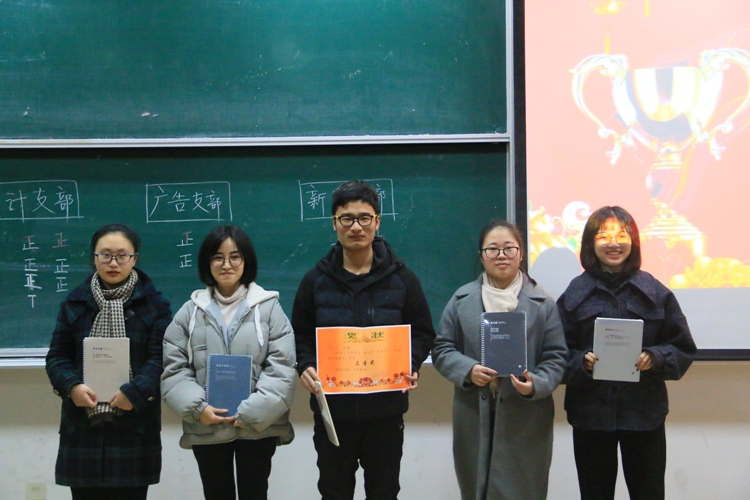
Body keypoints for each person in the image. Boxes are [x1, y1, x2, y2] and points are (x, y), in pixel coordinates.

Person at [292, 180, 436, 499]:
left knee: (384, 492)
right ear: (334, 223)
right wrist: (305, 365)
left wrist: (411, 363)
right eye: (347, 218)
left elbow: (423, 332)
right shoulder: (315, 281)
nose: (356, 226)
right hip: (333, 413)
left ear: (377, 222)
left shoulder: (403, 279)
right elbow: (300, 334)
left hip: (385, 413)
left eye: (364, 218)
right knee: (334, 492)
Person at [557, 206, 696, 500]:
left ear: (633, 241)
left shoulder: (655, 291)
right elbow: (556, 353)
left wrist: (656, 358)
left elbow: (683, 347)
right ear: (590, 243)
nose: (614, 243)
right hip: (591, 415)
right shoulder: (574, 293)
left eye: (622, 235)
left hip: (644, 414)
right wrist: (581, 362)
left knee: (648, 493)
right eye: (603, 236)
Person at [432, 220, 568, 499]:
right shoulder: (461, 299)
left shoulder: (543, 302)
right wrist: (468, 370)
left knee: (523, 490)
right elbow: (442, 349)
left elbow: (556, 357)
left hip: (526, 415)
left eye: (509, 248)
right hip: (474, 410)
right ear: (481, 255)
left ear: (521, 253)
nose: (501, 255)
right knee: (476, 488)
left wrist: (535, 384)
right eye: (492, 249)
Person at [161, 225, 295, 500]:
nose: (226, 265)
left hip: (257, 426)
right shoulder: (189, 312)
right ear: (207, 262)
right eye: (217, 257)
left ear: (246, 261)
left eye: (235, 257)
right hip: (207, 423)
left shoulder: (269, 308)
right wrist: (198, 408)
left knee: (255, 493)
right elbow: (173, 370)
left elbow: (282, 368)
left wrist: (253, 411)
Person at [45, 224, 172, 500]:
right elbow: (57, 357)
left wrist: (134, 393)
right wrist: (72, 387)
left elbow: (160, 359)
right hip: (82, 424)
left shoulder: (155, 305)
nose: (113, 263)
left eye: (122, 255)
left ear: (134, 258)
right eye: (105, 255)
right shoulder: (75, 303)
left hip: (135, 424)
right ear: (94, 257)